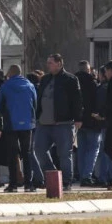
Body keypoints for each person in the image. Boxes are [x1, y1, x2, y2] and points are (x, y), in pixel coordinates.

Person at [34, 54, 82, 192]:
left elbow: (77, 100)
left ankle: (66, 182)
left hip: (63, 123)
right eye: (47, 62)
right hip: (43, 123)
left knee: (64, 154)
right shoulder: (45, 79)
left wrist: (78, 118)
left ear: (59, 63)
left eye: (50, 63)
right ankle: (54, 176)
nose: (48, 65)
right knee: (39, 150)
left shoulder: (71, 79)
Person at [0, 64, 39, 192]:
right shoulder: (30, 86)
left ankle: (13, 184)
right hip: (27, 124)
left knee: (12, 154)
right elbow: (35, 104)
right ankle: (28, 184)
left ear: (10, 73)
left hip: (11, 124)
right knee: (27, 154)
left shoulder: (5, 87)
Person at [75, 61, 103, 187]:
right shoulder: (93, 83)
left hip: (78, 121)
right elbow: (97, 102)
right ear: (88, 70)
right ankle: (87, 175)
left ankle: (82, 175)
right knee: (93, 149)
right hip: (92, 120)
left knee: (81, 149)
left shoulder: (73, 82)